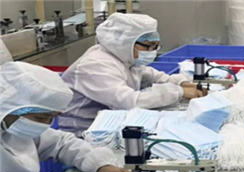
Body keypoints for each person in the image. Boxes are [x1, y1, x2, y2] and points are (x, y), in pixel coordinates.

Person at [0, 62, 149, 172]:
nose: (46, 124)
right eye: (40, 118)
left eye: (52, 118)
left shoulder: (10, 126)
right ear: (7, 106)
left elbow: (61, 143)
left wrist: (100, 164)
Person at [59, 13, 206, 136]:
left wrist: (182, 83)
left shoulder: (124, 58)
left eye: (156, 46)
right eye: (149, 46)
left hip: (112, 126)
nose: (152, 51)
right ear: (125, 42)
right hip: (85, 133)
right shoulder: (95, 65)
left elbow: (153, 76)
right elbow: (130, 102)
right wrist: (179, 92)